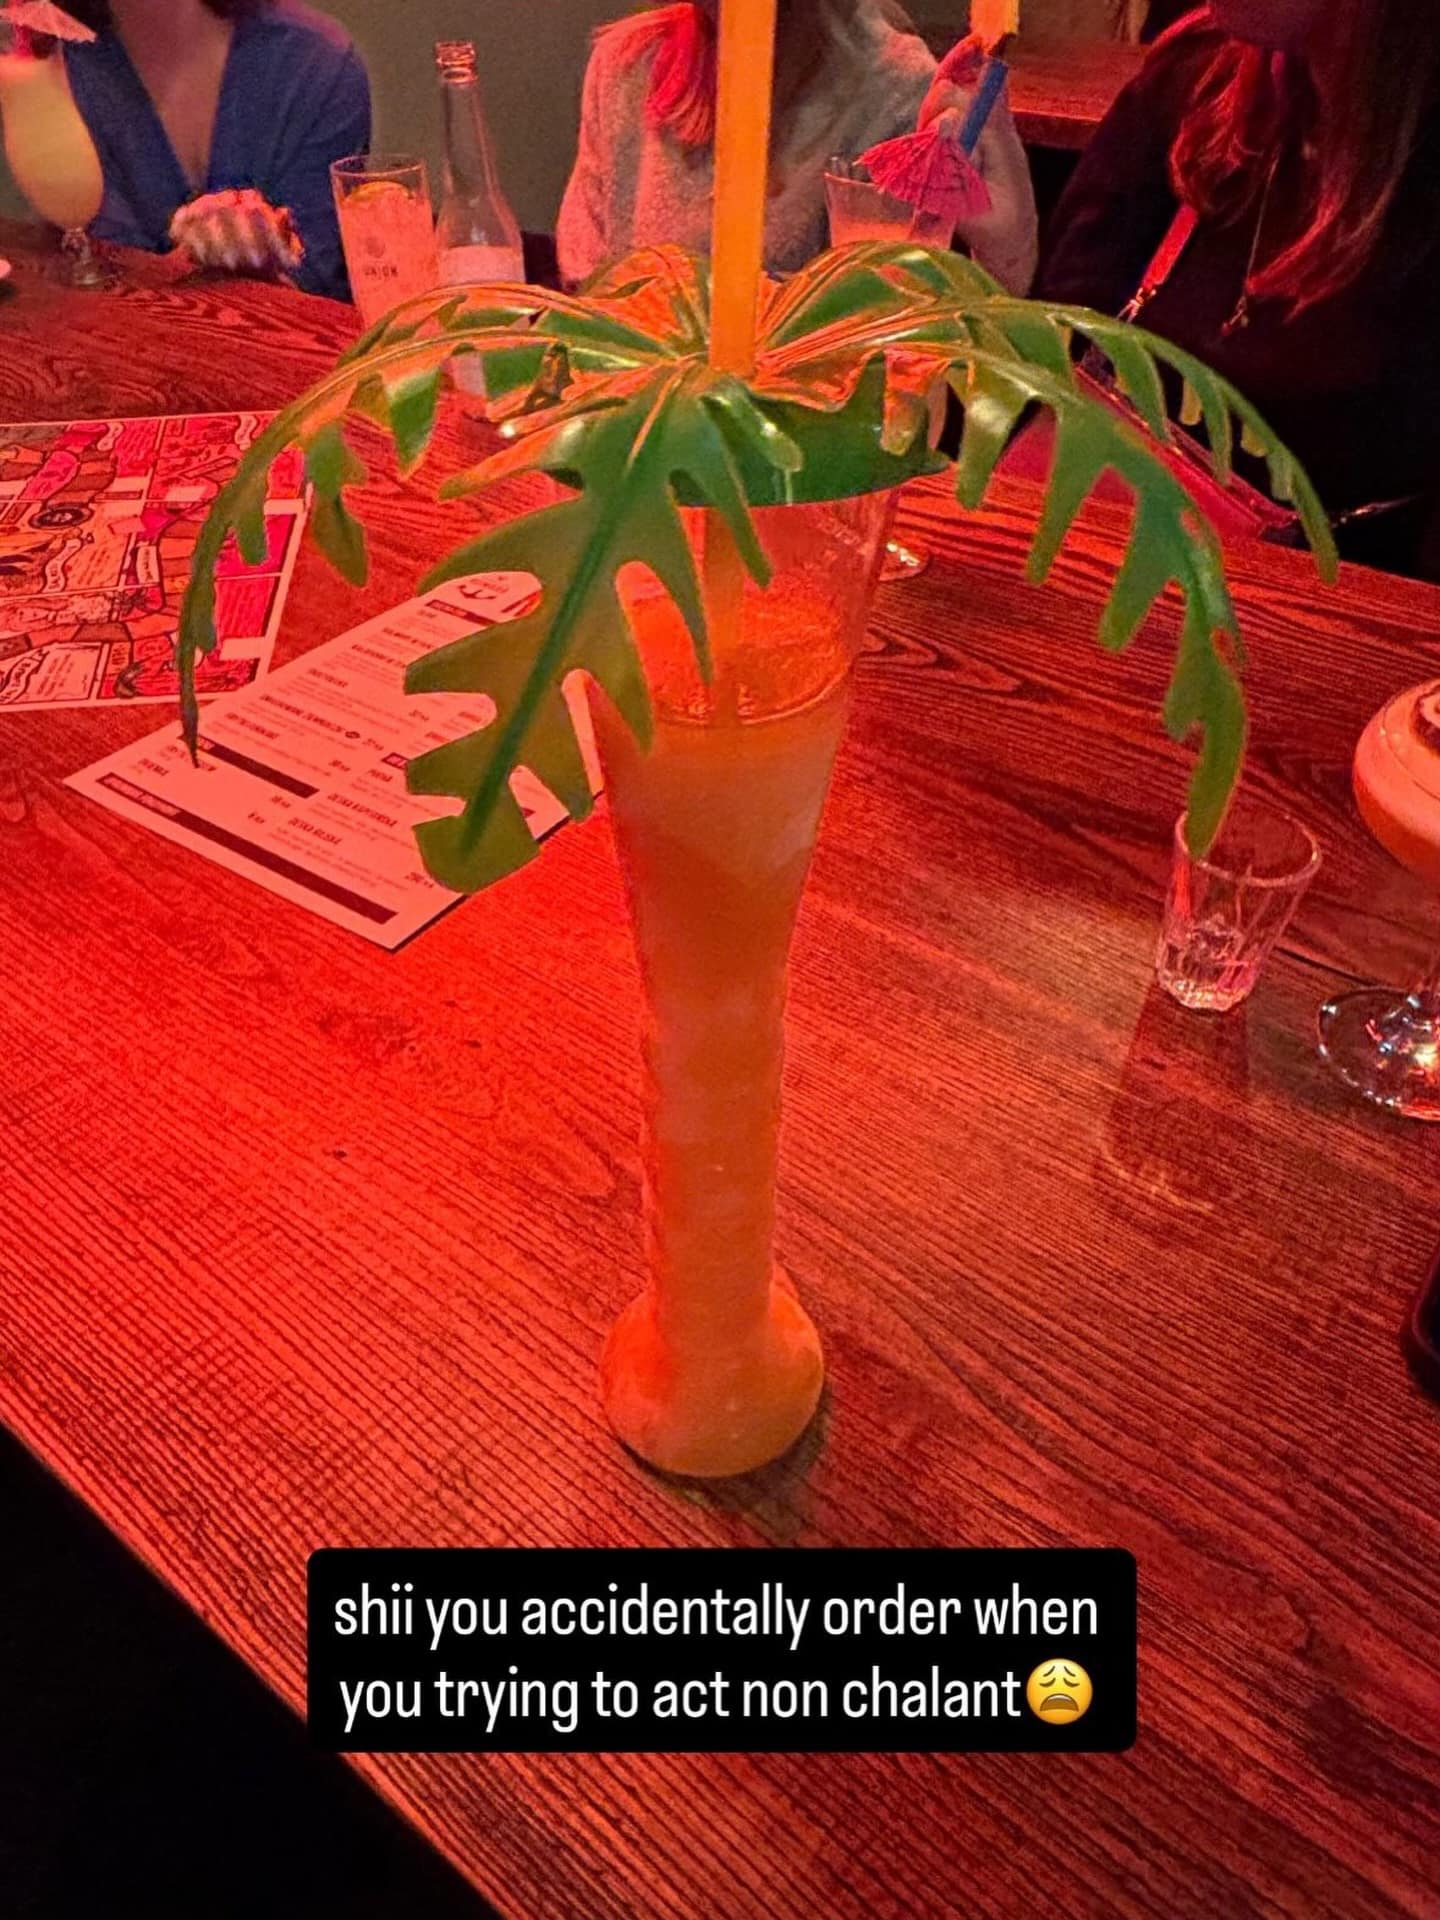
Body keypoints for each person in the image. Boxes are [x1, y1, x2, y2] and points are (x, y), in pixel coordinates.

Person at [1038, 0, 1440, 578]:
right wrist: (1006, 252)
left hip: (1324, 614)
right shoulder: (1198, 75)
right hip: (1100, 567)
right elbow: (1058, 351)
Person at [557, 0, 1038, 294]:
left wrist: (1009, 253)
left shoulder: (898, 93)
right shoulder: (626, 64)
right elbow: (586, 298)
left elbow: (913, 342)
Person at [60, 0, 370, 300]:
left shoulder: (315, 62)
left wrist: (264, 256)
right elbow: (96, 273)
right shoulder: (57, 65)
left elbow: (317, 283)